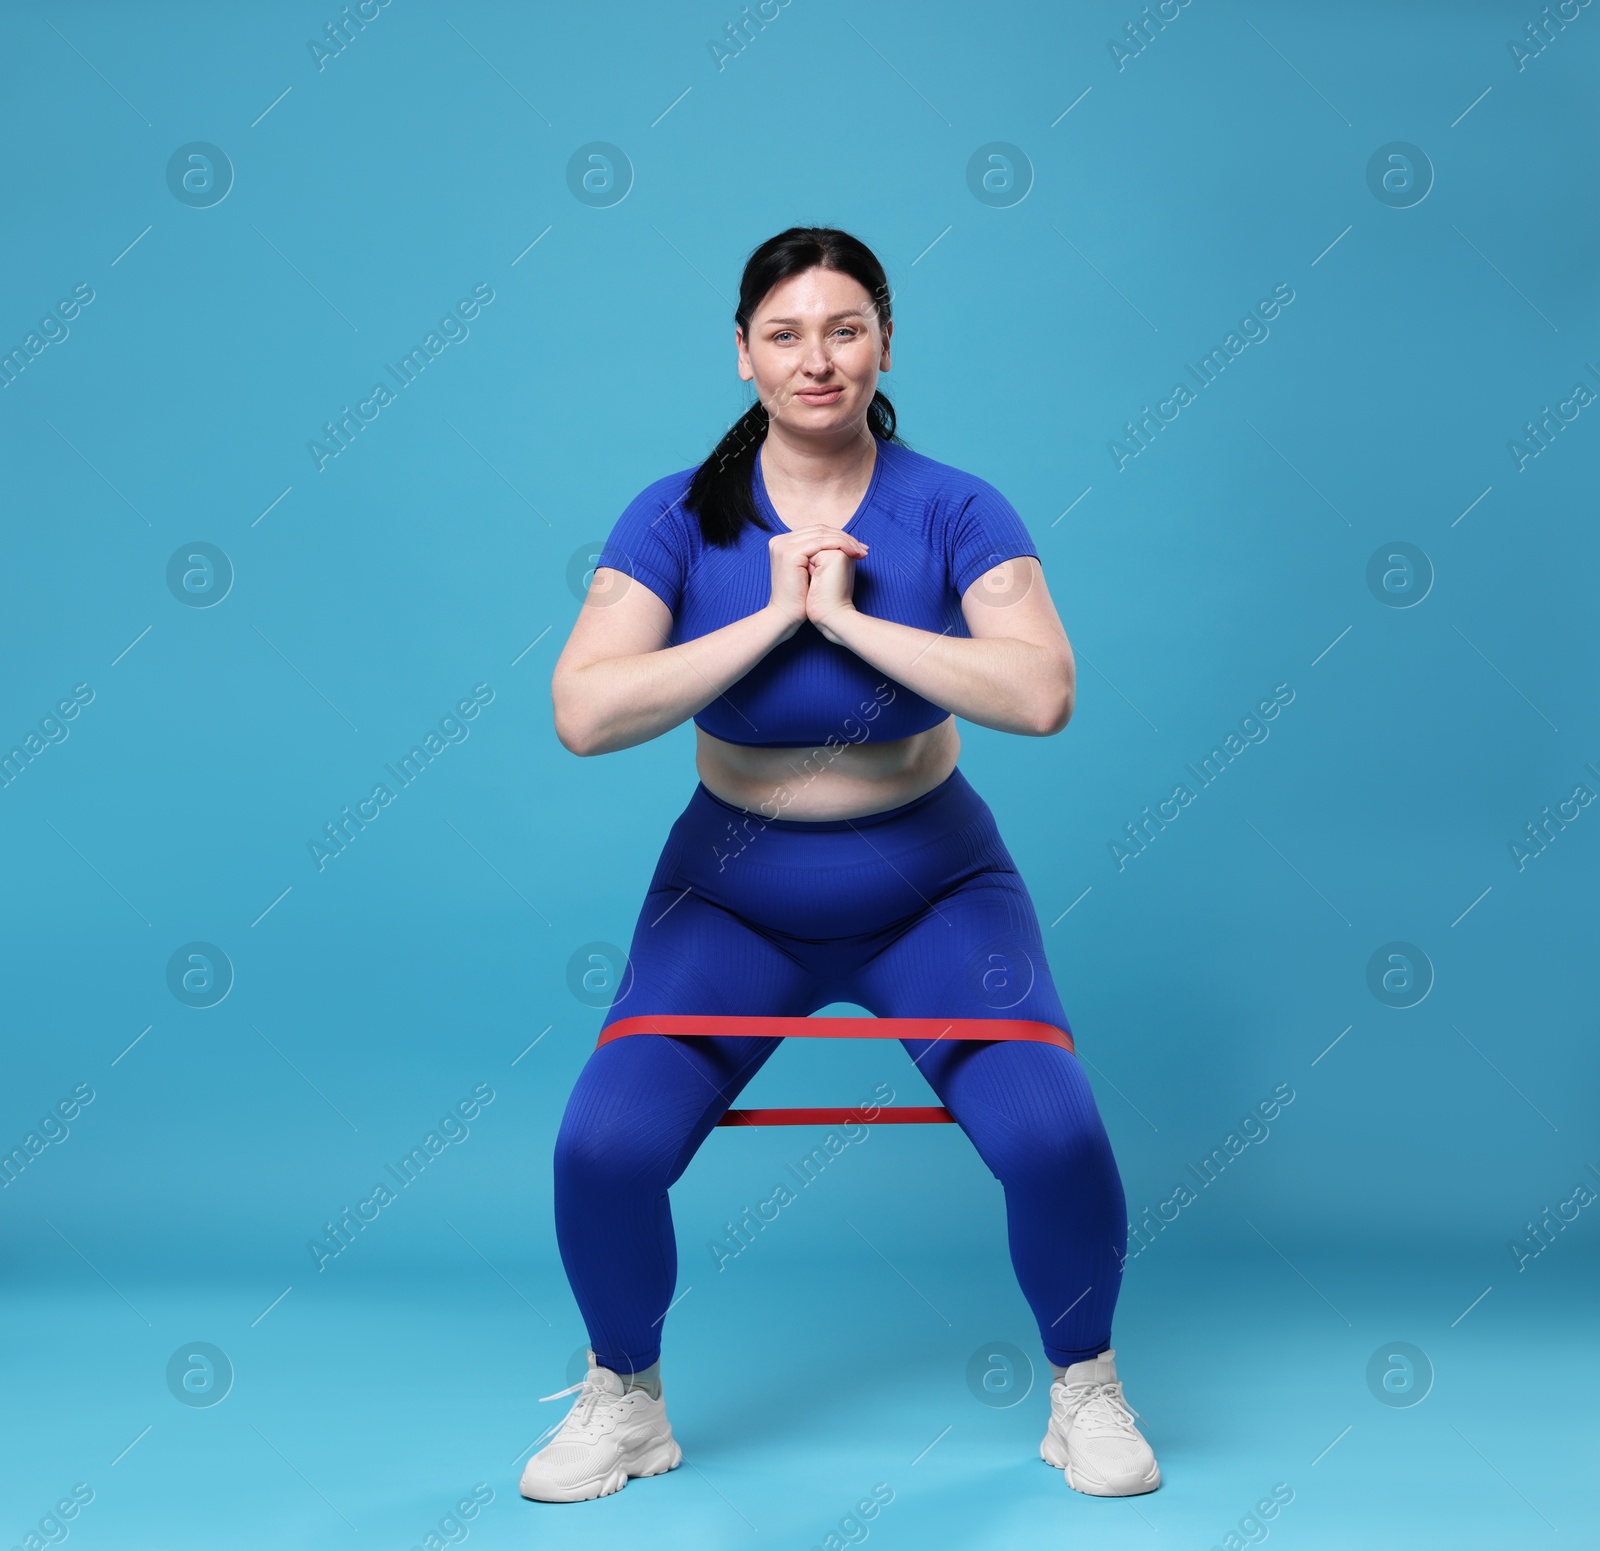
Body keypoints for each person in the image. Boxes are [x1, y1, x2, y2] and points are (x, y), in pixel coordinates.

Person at [523, 227, 1159, 1504]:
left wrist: (852, 620)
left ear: (883, 343)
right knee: (601, 1147)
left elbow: (1041, 695)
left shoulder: (954, 507)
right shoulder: (674, 516)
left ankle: (1084, 1385)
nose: (817, 360)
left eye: (845, 329)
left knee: (1054, 1136)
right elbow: (584, 714)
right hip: (732, 893)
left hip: (931, 888)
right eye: (785, 334)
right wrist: (770, 617)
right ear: (743, 353)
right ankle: (624, 1400)